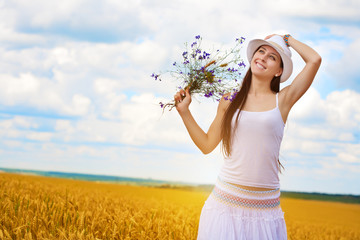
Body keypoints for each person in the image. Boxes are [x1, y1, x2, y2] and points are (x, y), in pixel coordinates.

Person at [174, 34, 321, 239]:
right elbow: (207, 144)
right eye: (261, 51)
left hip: (265, 212)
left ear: (279, 71)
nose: (263, 57)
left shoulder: (284, 100)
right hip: (224, 207)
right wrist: (185, 112)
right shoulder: (229, 99)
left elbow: (314, 60)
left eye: (272, 57)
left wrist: (287, 39)